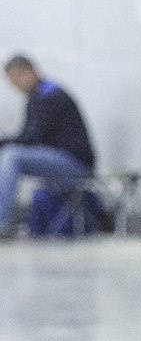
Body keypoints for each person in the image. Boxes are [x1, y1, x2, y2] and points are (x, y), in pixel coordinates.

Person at [0, 56, 96, 237]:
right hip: (59, 160)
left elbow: (32, 137)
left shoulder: (51, 95)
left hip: (74, 164)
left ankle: (1, 223)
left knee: (11, 156)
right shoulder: (37, 97)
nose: (15, 86)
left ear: (29, 71)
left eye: (15, 80)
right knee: (8, 154)